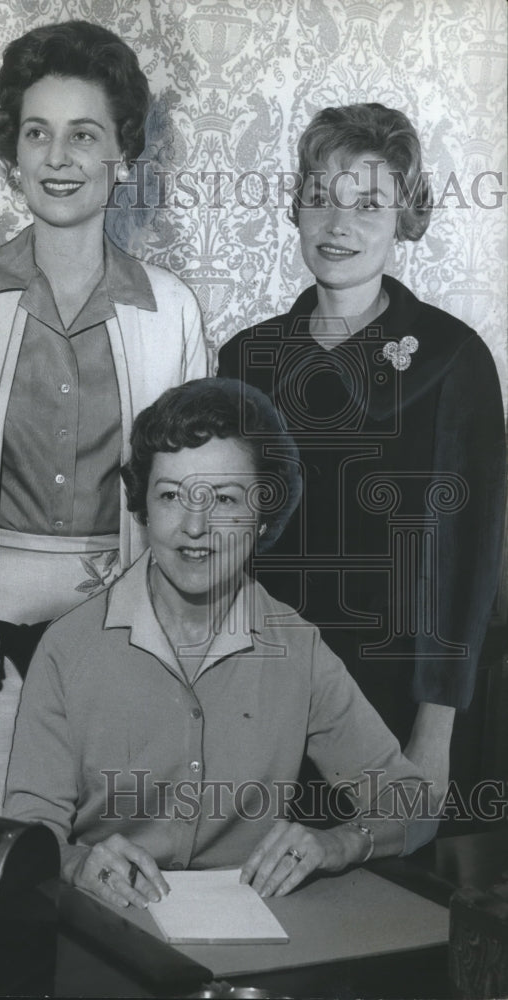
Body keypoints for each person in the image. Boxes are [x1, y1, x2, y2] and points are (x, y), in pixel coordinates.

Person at [0, 21, 206, 815]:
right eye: (37, 134)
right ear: (10, 152)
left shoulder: (174, 313)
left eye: (84, 135)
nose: (59, 158)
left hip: (126, 636)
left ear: (122, 150)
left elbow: (193, 499)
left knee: (110, 890)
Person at [4, 379, 437, 909]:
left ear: (262, 517)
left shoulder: (298, 648)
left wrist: (339, 842)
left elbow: (413, 802)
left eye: (225, 499)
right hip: (108, 924)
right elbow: (27, 832)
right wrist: (75, 864)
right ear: (142, 508)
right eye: (170, 496)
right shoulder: (67, 648)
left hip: (261, 936)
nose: (194, 526)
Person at [218, 103, 506, 802]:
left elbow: (472, 564)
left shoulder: (452, 358)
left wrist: (431, 738)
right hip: (261, 701)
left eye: (369, 204)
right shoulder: (246, 359)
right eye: (320, 198)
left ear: (404, 219)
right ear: (296, 209)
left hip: (397, 707)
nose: (338, 225)